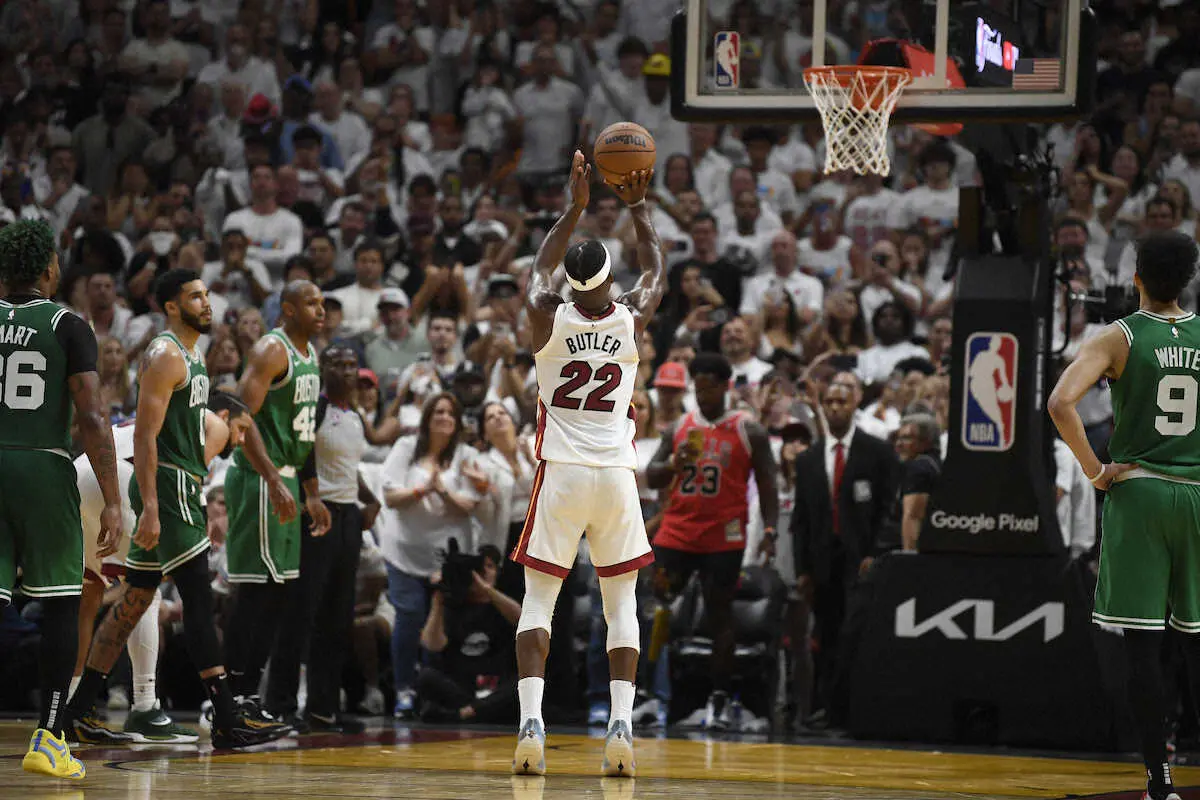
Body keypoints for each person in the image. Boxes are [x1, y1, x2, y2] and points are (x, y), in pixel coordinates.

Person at [65, 269, 289, 749]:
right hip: (167, 487)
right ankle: (227, 716)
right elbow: (146, 436)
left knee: (134, 601)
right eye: (194, 296)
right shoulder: (166, 355)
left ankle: (78, 711)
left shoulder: (194, 356)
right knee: (198, 604)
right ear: (170, 306)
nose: (206, 303)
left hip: (162, 485)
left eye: (207, 295)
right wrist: (149, 505)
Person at [511, 152, 666, 778]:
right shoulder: (631, 316)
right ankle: (621, 725)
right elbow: (655, 269)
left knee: (538, 603)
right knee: (621, 606)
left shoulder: (545, 313)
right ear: (608, 279)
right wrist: (637, 205)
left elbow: (538, 268)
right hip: (615, 475)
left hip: (562, 472)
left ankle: (531, 724)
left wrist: (573, 208)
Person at [1048, 230, 1200, 800]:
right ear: (1188, 280)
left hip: (1140, 494)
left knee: (1143, 647)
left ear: (1135, 277)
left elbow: (1060, 402)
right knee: (1196, 642)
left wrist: (1095, 470)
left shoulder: (1119, 335)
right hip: (1197, 494)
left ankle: (1160, 782)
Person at [0, 220, 121, 780]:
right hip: (42, 466)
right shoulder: (67, 325)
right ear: (50, 269)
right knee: (60, 601)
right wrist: (113, 498)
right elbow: (92, 417)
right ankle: (49, 738)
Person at [70, 391, 251, 745]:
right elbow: (182, 484)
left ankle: (72, 706)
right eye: (241, 429)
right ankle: (145, 706)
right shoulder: (207, 424)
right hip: (122, 476)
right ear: (224, 415)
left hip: (82, 473)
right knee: (145, 588)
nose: (241, 440)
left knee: (88, 592)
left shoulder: (166, 416)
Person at [644, 352, 779, 730]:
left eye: (708, 389)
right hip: (678, 531)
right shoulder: (679, 427)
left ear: (725, 387)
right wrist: (673, 464)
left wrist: (770, 531)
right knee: (658, 608)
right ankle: (652, 695)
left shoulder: (748, 430)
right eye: (697, 389)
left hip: (724, 535)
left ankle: (718, 699)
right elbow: (652, 476)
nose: (701, 396)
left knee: (720, 615)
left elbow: (768, 484)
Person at [223, 280, 332, 719]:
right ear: (287, 309)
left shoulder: (311, 354)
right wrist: (271, 477)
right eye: (311, 303)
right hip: (259, 478)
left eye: (322, 303)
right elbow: (240, 417)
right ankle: (228, 698)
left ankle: (249, 695)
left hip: (285, 477)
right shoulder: (272, 350)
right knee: (255, 592)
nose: (320, 310)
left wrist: (312, 492)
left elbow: (303, 430)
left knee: (277, 594)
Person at [265, 345, 380, 732]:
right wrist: (309, 498)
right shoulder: (314, 409)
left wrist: (370, 499)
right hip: (316, 513)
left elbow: (348, 468)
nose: (346, 371)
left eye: (351, 365)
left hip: (348, 517)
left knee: (338, 615)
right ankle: (280, 704)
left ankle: (323, 707)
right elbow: (299, 457)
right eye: (337, 364)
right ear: (322, 368)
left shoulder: (355, 416)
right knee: (302, 611)